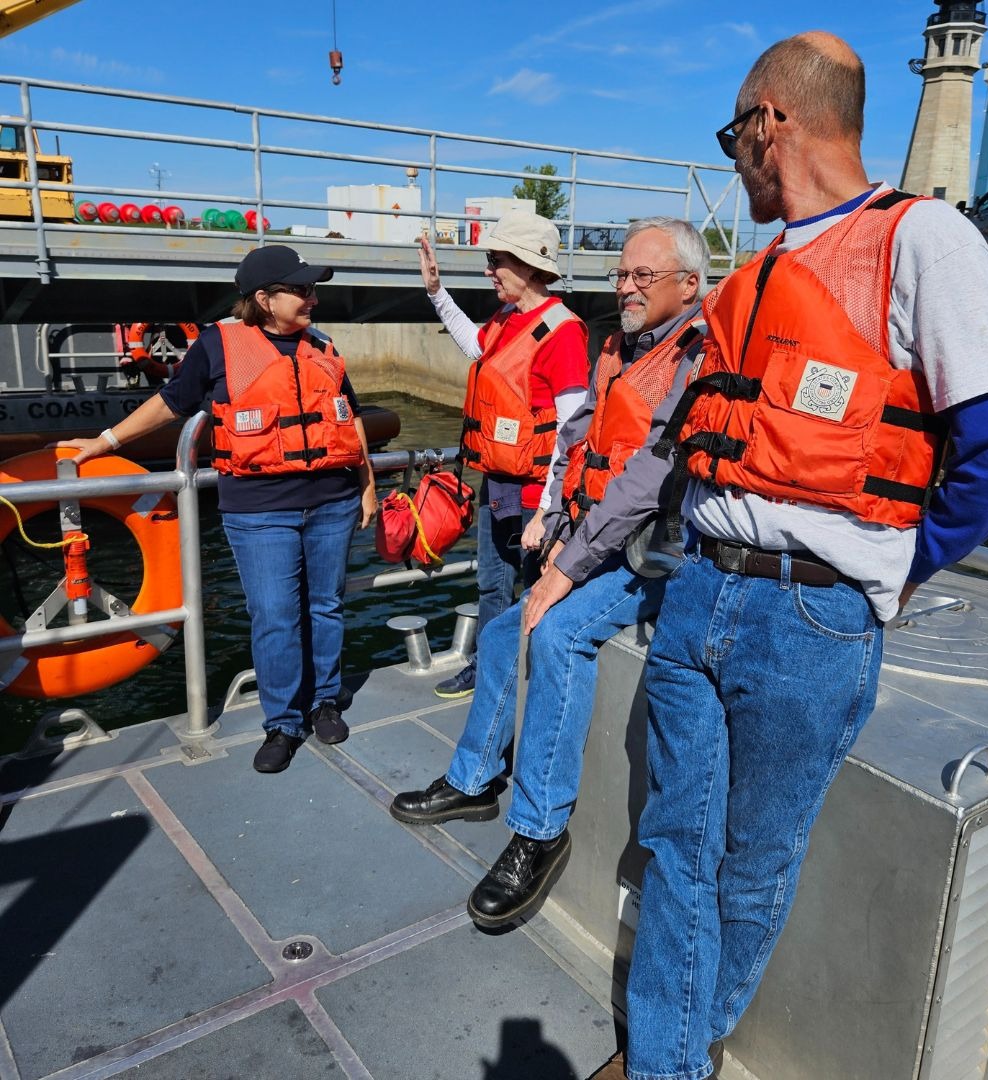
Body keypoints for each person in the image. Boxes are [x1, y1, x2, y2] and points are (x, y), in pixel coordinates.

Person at [578, 32, 988, 1080]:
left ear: (771, 123)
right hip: (700, 587)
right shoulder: (760, 273)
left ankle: (670, 1057)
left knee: (750, 866)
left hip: (812, 618)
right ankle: (667, 1059)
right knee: (676, 845)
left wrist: (901, 559)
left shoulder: (921, 239)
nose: (734, 163)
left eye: (733, 138)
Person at [390, 217, 710, 929]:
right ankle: (474, 780)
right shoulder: (620, 349)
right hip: (599, 541)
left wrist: (565, 565)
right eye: (621, 275)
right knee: (507, 632)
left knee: (558, 632)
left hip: (657, 556)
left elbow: (647, 479)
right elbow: (579, 444)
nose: (624, 287)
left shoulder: (696, 358)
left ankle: (539, 831)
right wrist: (554, 521)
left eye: (642, 277)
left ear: (689, 285)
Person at [58, 245, 377, 775]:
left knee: (326, 607)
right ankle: (282, 722)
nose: (312, 298)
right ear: (264, 299)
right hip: (259, 512)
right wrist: (106, 441)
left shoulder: (323, 345)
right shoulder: (218, 346)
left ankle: (324, 701)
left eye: (311, 288)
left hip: (332, 503)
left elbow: (351, 415)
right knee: (274, 617)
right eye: (300, 290)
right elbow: (171, 402)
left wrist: (366, 482)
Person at [418, 210, 588, 699]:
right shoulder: (505, 318)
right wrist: (436, 293)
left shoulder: (563, 331)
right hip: (500, 483)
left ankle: (532, 680)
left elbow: (572, 428)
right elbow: (477, 346)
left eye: (496, 261)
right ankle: (489, 669)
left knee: (538, 592)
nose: (489, 271)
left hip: (538, 495)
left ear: (530, 266)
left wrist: (551, 508)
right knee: (492, 586)